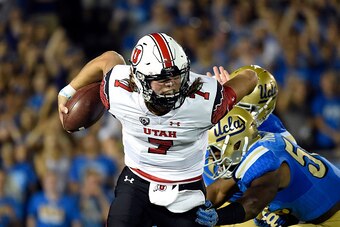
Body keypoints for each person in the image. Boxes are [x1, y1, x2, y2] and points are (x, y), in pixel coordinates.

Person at [58, 32, 257, 226]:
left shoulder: (206, 102)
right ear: (139, 79)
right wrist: (67, 91)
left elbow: (251, 77)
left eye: (177, 76)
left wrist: (225, 93)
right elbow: (108, 58)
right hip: (137, 180)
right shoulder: (121, 91)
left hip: (185, 190)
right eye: (161, 79)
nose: (171, 85)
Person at [195, 106, 340, 227]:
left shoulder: (265, 160)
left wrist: (217, 218)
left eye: (215, 150)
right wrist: (187, 212)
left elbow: (253, 203)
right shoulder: (253, 145)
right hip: (315, 209)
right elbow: (219, 191)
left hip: (332, 219)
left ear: (236, 143)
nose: (211, 156)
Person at [203, 65, 297, 227]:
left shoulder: (274, 138)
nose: (232, 100)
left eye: (238, 99)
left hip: (234, 206)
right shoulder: (272, 127)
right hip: (209, 193)